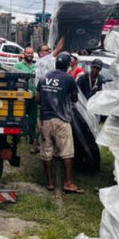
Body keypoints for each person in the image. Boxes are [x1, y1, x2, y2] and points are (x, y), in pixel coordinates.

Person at [37, 52, 82, 194]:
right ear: (68, 65)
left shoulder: (44, 77)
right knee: (67, 151)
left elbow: (37, 99)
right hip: (62, 120)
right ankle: (68, 182)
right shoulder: (69, 79)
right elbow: (74, 99)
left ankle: (50, 183)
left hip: (45, 119)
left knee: (47, 150)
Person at [15, 46, 37, 144]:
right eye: (28, 53)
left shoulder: (35, 66)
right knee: (20, 116)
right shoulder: (18, 65)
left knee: (33, 118)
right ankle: (18, 137)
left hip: (33, 95)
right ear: (24, 54)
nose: (30, 55)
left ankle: (32, 136)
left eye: (31, 53)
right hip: (22, 96)